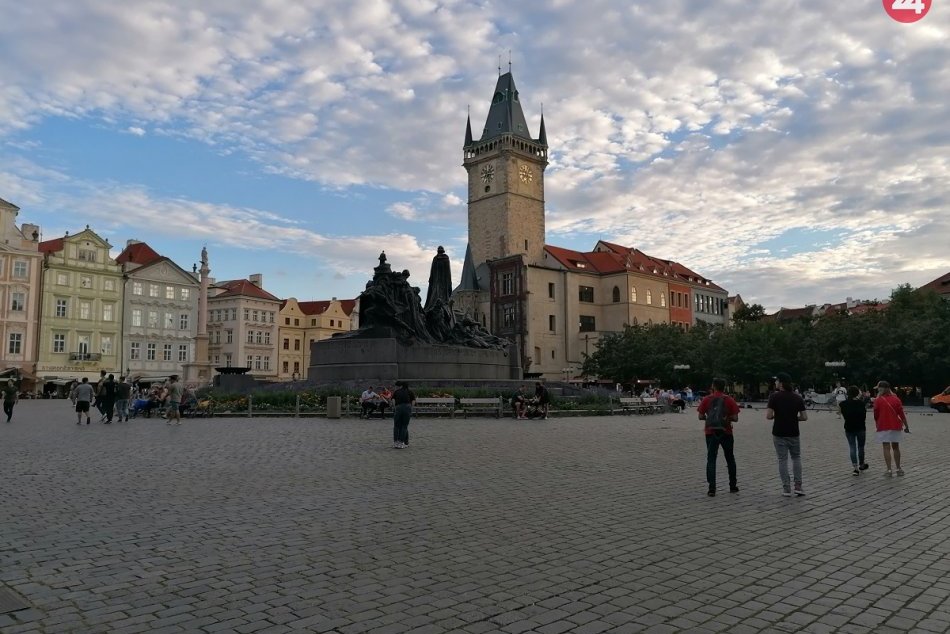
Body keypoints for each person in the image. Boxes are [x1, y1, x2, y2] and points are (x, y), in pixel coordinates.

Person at [697, 378, 741, 497]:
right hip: (726, 432)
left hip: (711, 432)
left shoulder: (707, 399)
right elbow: (736, 418)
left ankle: (712, 488)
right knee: (730, 458)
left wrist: (711, 419)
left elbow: (700, 416)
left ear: (713, 386)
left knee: (711, 459)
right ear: (724, 387)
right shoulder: (729, 399)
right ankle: (733, 486)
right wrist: (725, 419)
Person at [767, 372, 808, 496]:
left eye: (776, 381)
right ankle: (798, 486)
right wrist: (794, 418)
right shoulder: (797, 397)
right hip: (793, 432)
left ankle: (786, 488)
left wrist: (777, 416)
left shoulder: (774, 397)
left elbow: (769, 416)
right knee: (796, 458)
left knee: (782, 459)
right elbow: (804, 417)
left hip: (779, 432)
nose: (775, 383)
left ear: (781, 383)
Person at [873, 380, 910, 477]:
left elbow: (876, 414)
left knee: (886, 447)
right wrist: (906, 426)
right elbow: (901, 414)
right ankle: (898, 468)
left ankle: (889, 470)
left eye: (879, 388)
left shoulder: (878, 400)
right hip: (895, 426)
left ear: (882, 388)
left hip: (883, 426)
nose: (878, 390)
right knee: (896, 447)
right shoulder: (896, 399)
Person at [839, 385, 869, 475]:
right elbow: (864, 416)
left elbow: (841, 413)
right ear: (857, 393)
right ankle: (862, 464)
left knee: (852, 447)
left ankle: (855, 468)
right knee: (861, 447)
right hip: (860, 427)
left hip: (849, 427)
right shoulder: (861, 403)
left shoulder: (842, 404)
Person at [392, 380, 415, 449]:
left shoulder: (397, 391)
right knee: (404, 426)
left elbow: (393, 400)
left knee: (396, 425)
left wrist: (394, 407)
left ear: (401, 386)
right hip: (407, 407)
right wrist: (411, 407)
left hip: (398, 407)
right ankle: (402, 442)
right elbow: (413, 400)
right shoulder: (410, 392)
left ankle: (396, 442)